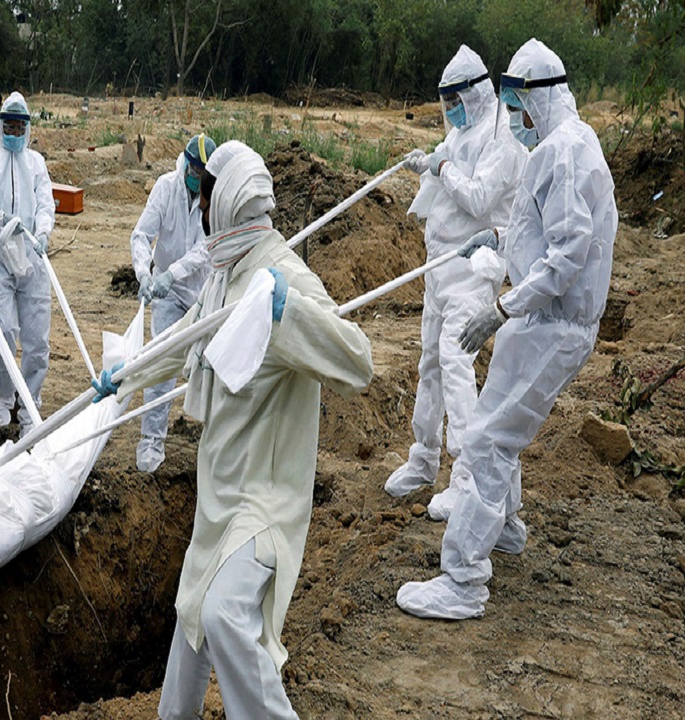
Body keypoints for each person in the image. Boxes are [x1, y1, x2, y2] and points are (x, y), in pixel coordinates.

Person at [92, 141, 374, 719]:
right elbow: (185, 338)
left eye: (205, 200)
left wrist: (288, 311)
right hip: (220, 484)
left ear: (228, 204)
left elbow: (358, 361)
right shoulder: (225, 271)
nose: (197, 209)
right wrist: (126, 375)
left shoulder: (281, 275)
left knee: (222, 613)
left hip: (263, 496)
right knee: (192, 611)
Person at [396, 38, 617, 620]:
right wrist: (496, 242)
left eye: (517, 102)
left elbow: (567, 257)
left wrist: (503, 307)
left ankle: (463, 578)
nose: (511, 114)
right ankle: (508, 526)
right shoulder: (563, 144)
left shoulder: (563, 152)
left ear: (539, 97)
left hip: (552, 324)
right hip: (539, 318)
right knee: (500, 420)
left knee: (490, 438)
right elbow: (546, 237)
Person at [385, 45, 527, 518]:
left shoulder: (502, 138)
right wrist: (430, 160)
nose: (449, 110)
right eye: (445, 103)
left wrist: (441, 168)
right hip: (438, 267)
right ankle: (423, 458)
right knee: (430, 362)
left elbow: (479, 196)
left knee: (456, 362)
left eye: (454, 101)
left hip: (473, 269)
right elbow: (448, 162)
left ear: (475, 93)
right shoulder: (461, 130)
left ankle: (466, 474)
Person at [0, 91, 55, 437]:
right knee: (3, 332)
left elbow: (46, 204)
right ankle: (3, 398)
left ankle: (30, 401)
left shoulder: (37, 163)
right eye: (11, 126)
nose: (16, 132)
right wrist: (0, 220)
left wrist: (44, 231)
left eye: (21, 126)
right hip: (0, 258)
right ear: (1, 126)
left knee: (37, 339)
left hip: (32, 257)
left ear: (28, 129)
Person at [127, 133, 216, 473]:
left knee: (211, 366)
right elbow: (142, 234)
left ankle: (214, 438)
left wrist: (172, 273)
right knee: (162, 362)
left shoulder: (215, 196)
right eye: (193, 169)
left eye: (202, 173)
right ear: (185, 164)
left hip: (203, 293)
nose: (196, 177)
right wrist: (144, 273)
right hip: (167, 295)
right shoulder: (166, 188)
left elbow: (204, 249)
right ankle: (151, 440)